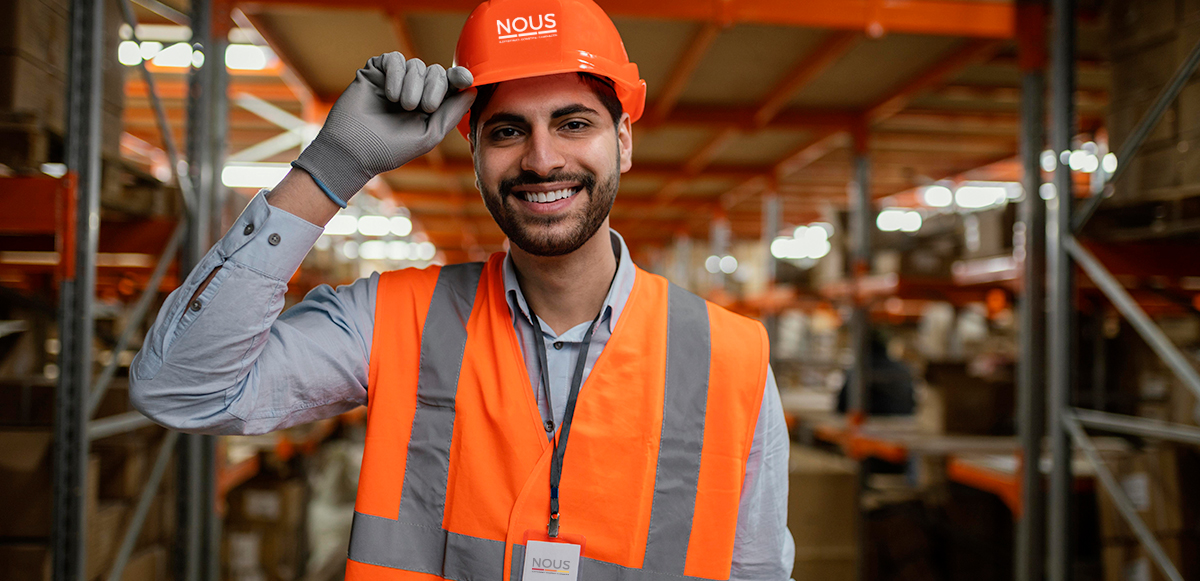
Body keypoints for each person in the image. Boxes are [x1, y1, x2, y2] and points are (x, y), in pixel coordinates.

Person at [130, 1, 793, 579]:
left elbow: (756, 569)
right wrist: (332, 167)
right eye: (507, 131)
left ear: (622, 141)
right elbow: (180, 387)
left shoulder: (729, 362)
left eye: (573, 123)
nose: (541, 159)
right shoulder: (395, 319)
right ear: (473, 154)